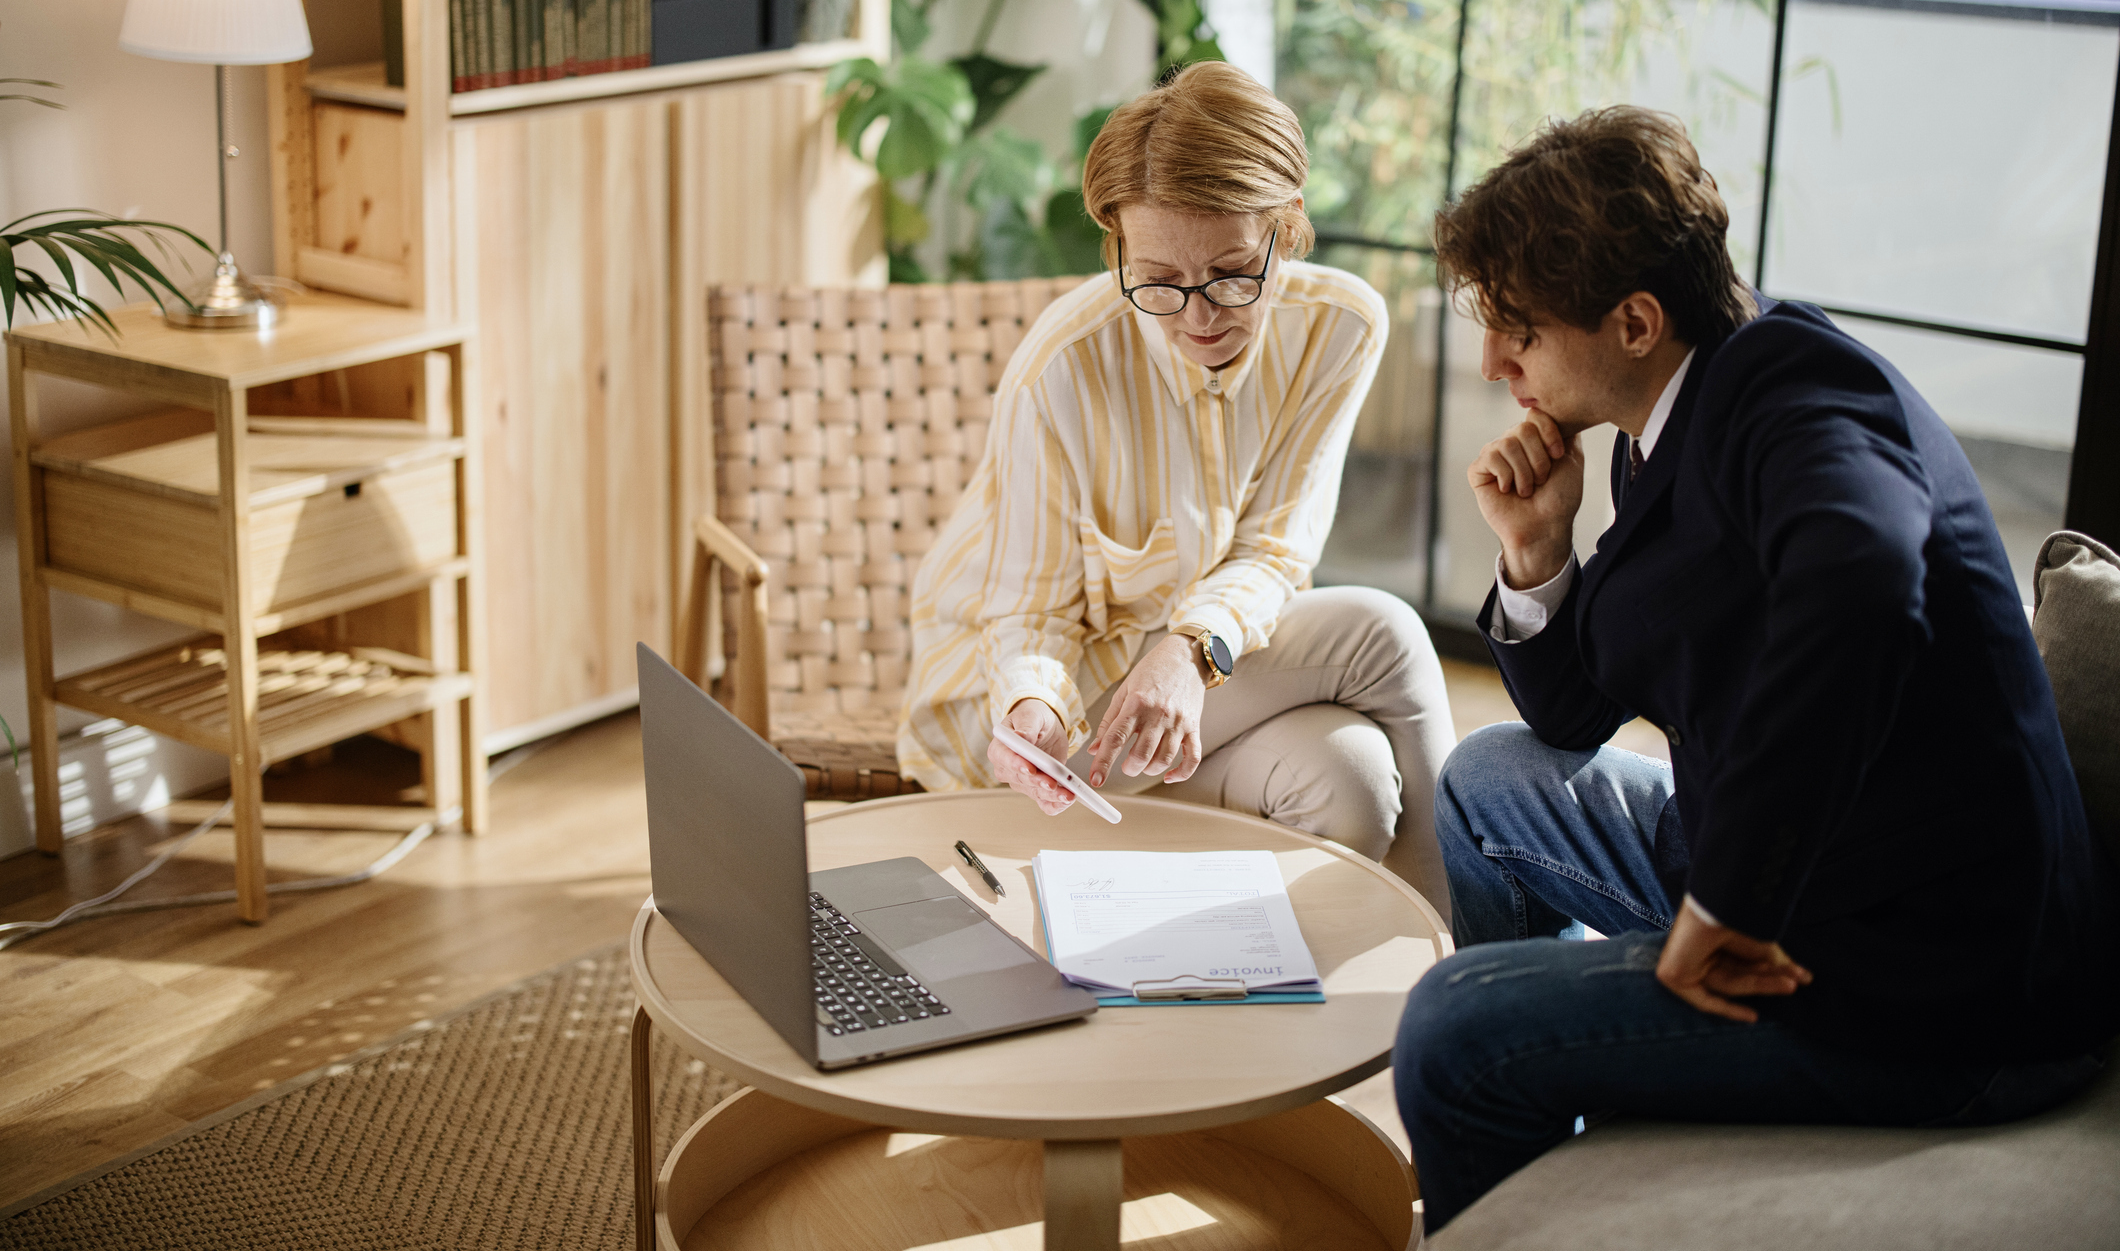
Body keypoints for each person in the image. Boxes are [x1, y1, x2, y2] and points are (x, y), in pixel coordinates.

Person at [1391, 106, 2117, 1234]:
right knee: (1486, 778)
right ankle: (1553, 1105)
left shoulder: (1797, 394)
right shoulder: (1662, 408)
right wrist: (1535, 552)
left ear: (1633, 319)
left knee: (1447, 1030)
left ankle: (1522, 1087)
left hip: (1926, 988)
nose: (1491, 363)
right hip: (1792, 875)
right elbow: (1573, 718)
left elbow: (1866, 580)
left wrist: (1732, 895)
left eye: (1517, 332)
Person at [898, 61, 1457, 906]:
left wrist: (1189, 654)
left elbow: (1276, 547)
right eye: (1157, 281)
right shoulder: (1065, 364)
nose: (1199, 316)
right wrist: (1031, 711)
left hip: (1186, 694)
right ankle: (1463, 970)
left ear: (1289, 229)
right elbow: (1026, 614)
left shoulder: (1339, 329)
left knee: (1352, 783)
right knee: (1380, 632)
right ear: (1118, 248)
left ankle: (1259, 1004)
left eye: (1234, 274)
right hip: (1031, 730)